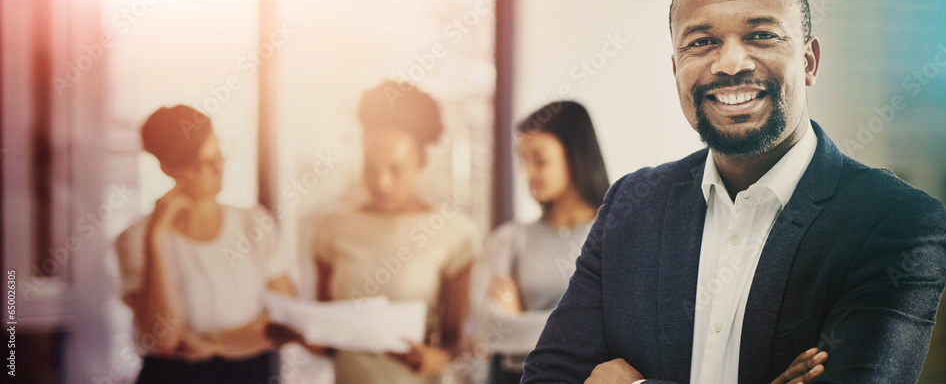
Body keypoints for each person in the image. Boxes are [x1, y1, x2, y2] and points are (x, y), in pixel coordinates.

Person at [520, 0, 946, 384]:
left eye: (761, 35)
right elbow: (546, 377)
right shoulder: (631, 204)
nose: (730, 63)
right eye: (701, 42)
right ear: (676, 69)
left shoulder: (898, 221)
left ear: (809, 62)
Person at [308, 81, 481, 383]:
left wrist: (437, 358)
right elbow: (326, 342)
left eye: (396, 169)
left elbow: (457, 340)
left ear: (421, 162)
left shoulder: (455, 234)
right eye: (371, 168)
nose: (382, 182)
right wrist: (298, 333)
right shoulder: (331, 229)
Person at [115, 105, 297, 384]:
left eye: (219, 153)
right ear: (169, 168)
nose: (218, 168)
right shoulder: (137, 237)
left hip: (252, 374)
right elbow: (164, 337)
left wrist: (211, 343)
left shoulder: (254, 223)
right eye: (202, 163)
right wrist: (156, 239)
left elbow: (287, 321)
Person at [479, 101, 610, 384]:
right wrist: (572, 330)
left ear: (575, 157)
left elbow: (609, 329)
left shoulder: (614, 234)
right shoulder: (510, 239)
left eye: (539, 160)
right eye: (522, 159)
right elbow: (489, 330)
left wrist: (520, 318)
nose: (527, 173)